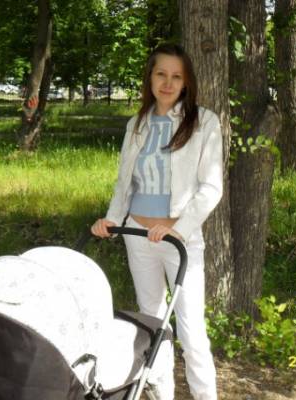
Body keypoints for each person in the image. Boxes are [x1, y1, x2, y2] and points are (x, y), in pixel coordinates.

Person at [91, 44, 223, 400]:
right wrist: (112, 220)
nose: (167, 82)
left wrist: (176, 229)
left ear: (186, 82)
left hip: (180, 239)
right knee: (151, 321)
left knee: (191, 329)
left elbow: (211, 188)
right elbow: (124, 182)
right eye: (161, 74)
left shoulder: (204, 122)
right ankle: (162, 394)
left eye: (176, 76)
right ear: (149, 78)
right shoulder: (137, 124)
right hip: (137, 234)